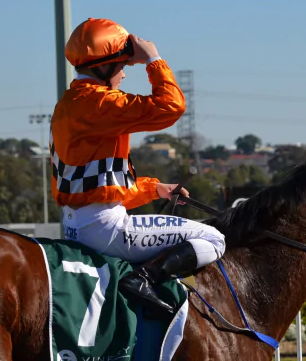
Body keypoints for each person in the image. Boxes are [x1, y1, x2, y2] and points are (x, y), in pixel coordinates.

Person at [50, 17, 226, 316]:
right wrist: (153, 61)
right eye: (121, 67)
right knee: (215, 239)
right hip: (106, 229)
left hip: (77, 227)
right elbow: (171, 106)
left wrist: (154, 189)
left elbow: (97, 187)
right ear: (102, 67)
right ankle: (143, 279)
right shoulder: (100, 103)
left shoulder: (68, 104)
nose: (122, 75)